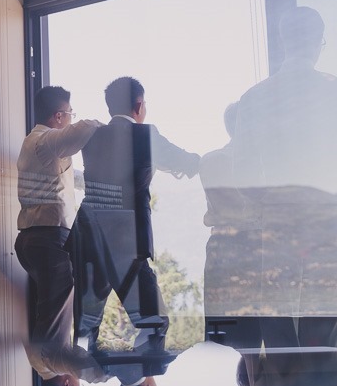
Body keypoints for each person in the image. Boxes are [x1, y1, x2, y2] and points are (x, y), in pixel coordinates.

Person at [233, 6, 337, 349]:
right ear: (318, 41)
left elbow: (242, 169)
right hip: (330, 213)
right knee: (324, 306)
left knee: (276, 303)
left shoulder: (254, 97)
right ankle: (318, 380)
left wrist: (262, 206)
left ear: (283, 41)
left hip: (278, 212)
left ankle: (284, 377)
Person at [75, 76, 200, 350]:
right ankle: (141, 384)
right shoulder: (146, 135)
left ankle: (100, 379)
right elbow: (188, 163)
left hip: (87, 236)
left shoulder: (90, 137)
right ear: (139, 105)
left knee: (85, 325)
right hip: (126, 241)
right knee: (155, 321)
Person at [15, 86, 100, 347]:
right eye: (70, 114)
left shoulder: (32, 143)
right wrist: (113, 126)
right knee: (53, 327)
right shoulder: (47, 140)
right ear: (59, 116)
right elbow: (87, 128)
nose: (72, 119)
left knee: (48, 318)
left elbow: (63, 177)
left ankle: (52, 377)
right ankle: (54, 378)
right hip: (49, 239)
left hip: (31, 238)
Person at [199, 102, 263, 348]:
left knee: (226, 336)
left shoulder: (210, 160)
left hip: (221, 249)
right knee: (255, 334)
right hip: (250, 248)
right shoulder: (256, 165)